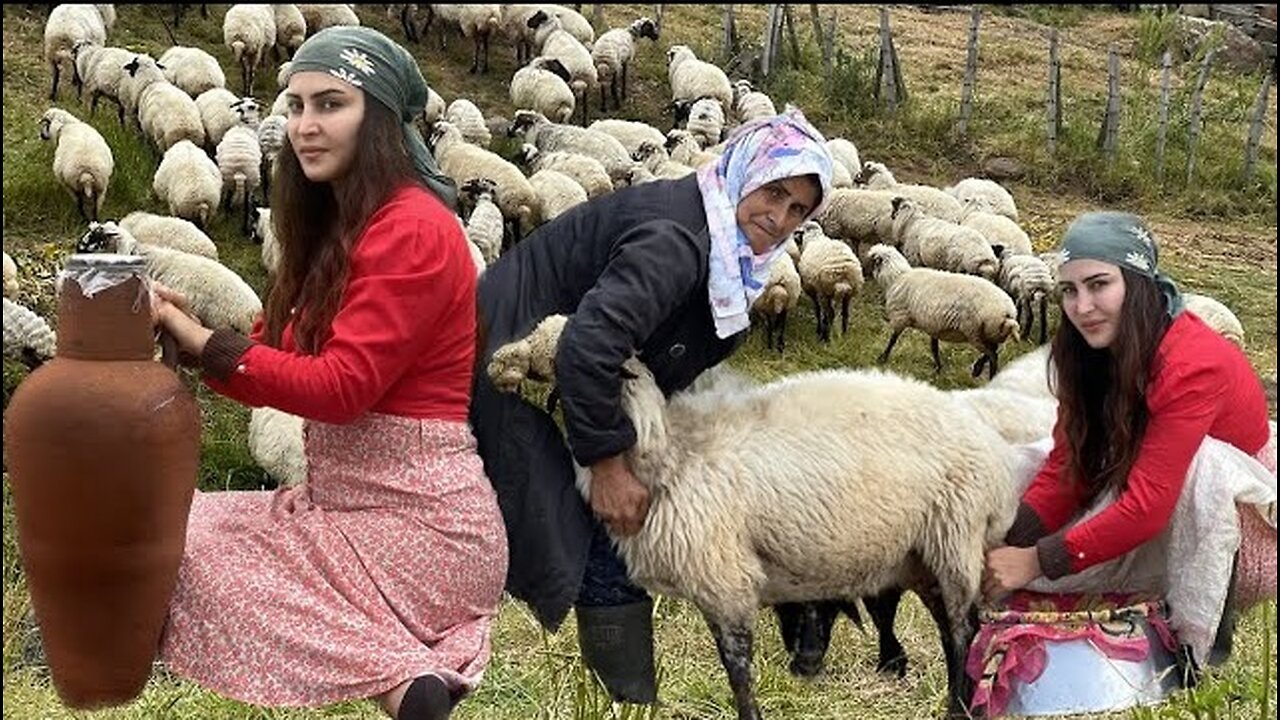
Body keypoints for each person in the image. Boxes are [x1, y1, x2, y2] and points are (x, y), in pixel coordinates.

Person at [150, 26, 506, 720]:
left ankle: (403, 676)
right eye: (296, 105)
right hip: (343, 505)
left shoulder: (414, 228)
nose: (305, 126)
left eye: (331, 104)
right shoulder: (343, 228)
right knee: (173, 528)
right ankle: (407, 689)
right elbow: (270, 357)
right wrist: (195, 340)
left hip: (421, 526)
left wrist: (207, 343)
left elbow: (341, 390)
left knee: (182, 554)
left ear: (379, 119)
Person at [468, 109, 834, 703]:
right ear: (747, 173)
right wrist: (609, 466)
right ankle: (623, 700)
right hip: (502, 371)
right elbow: (586, 349)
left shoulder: (726, 245)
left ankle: (618, 693)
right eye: (775, 193)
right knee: (602, 538)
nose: (780, 219)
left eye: (798, 211)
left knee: (615, 530)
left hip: (571, 377)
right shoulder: (675, 241)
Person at [982, 211, 1275, 666]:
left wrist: (1037, 561)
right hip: (1145, 477)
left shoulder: (1193, 364)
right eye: (1070, 290)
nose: (1081, 307)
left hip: (1242, 517)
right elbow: (1068, 465)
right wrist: (1006, 542)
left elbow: (1149, 505)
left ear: (1137, 283)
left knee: (1205, 470)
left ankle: (1202, 637)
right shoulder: (1085, 351)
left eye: (1099, 285)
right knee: (1028, 458)